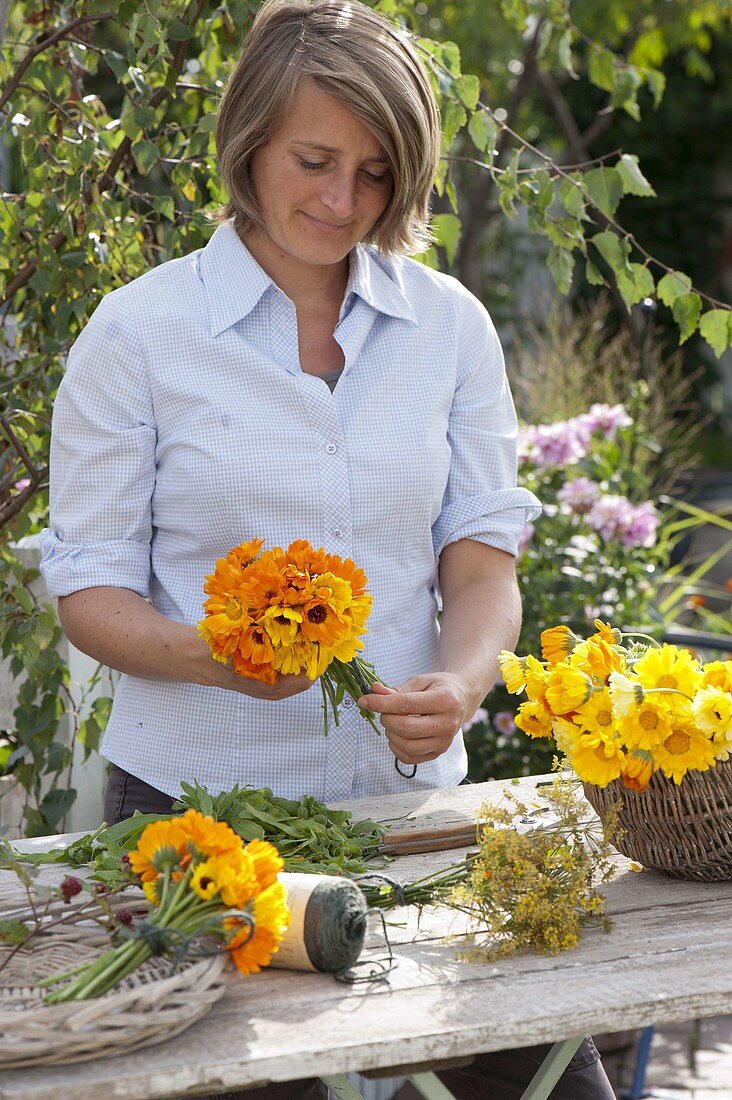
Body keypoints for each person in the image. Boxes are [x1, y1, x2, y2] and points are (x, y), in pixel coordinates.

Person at [40, 2, 614, 1097]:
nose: (343, 201)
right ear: (248, 139)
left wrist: (462, 677)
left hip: (414, 818)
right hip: (203, 830)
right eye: (313, 159)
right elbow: (88, 589)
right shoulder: (138, 334)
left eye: (378, 172)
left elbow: (483, 563)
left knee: (548, 1078)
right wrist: (221, 659)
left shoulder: (450, 328)